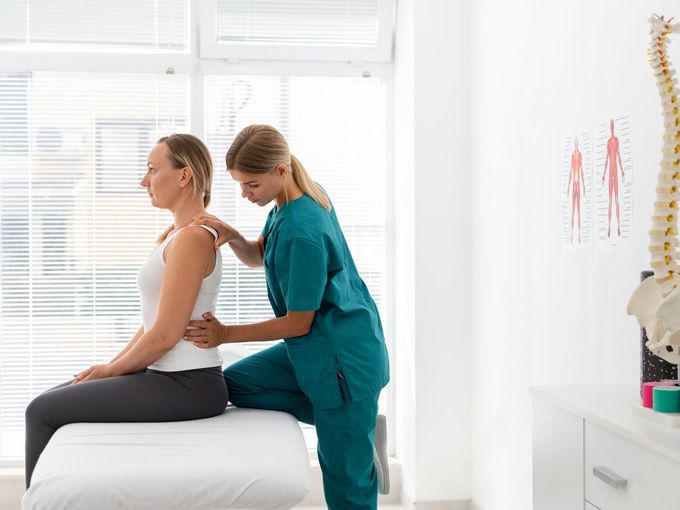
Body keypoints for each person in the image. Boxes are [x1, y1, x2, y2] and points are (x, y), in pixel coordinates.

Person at [184, 124, 390, 510]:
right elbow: (259, 254)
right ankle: (354, 428)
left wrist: (224, 333)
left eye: (252, 185)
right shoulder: (289, 204)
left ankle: (351, 431)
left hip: (342, 356)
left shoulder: (302, 230)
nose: (245, 194)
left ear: (280, 170)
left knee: (346, 486)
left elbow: (299, 322)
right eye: (240, 185)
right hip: (320, 344)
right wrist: (231, 236)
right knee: (234, 385)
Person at [24, 134, 228, 488]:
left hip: (189, 384)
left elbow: (166, 335)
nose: (143, 181)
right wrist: (110, 367)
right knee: (47, 400)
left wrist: (112, 370)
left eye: (152, 170)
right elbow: (152, 323)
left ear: (183, 176)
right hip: (168, 377)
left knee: (41, 411)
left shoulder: (193, 240)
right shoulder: (176, 236)